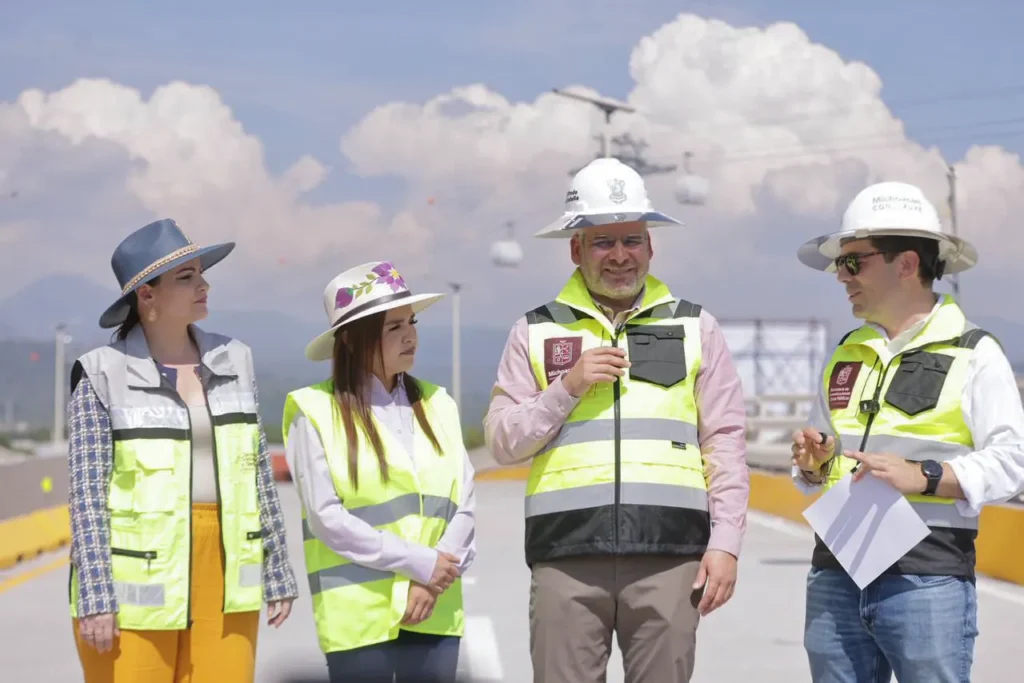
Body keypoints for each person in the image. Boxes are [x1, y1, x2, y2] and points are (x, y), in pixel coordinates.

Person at [484, 157, 750, 683]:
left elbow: (724, 441)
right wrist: (567, 388)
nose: (621, 256)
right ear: (576, 249)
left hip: (671, 557)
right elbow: (501, 440)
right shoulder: (533, 331)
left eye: (632, 240)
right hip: (566, 558)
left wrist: (725, 544)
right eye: (604, 242)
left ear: (651, 246)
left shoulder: (696, 326)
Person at [791, 181, 1024, 683]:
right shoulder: (846, 353)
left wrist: (926, 475)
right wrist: (814, 466)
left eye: (854, 261)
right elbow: (826, 461)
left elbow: (1013, 461)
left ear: (907, 264)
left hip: (927, 580)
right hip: (836, 571)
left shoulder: (975, 352)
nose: (840, 275)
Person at [67, 218, 299, 682]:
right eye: (187, 277)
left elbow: (255, 471)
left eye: (201, 273)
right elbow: (87, 496)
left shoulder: (235, 359)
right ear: (146, 296)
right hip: (135, 579)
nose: (204, 285)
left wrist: (277, 567)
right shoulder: (100, 374)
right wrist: (95, 595)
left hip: (229, 568)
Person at [282, 261, 477, 682]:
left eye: (412, 322)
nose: (411, 336)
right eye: (393, 327)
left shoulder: (439, 403)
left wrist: (430, 581)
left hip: (434, 607)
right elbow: (327, 519)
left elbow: (465, 501)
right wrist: (421, 564)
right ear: (351, 340)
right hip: (358, 617)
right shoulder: (313, 411)